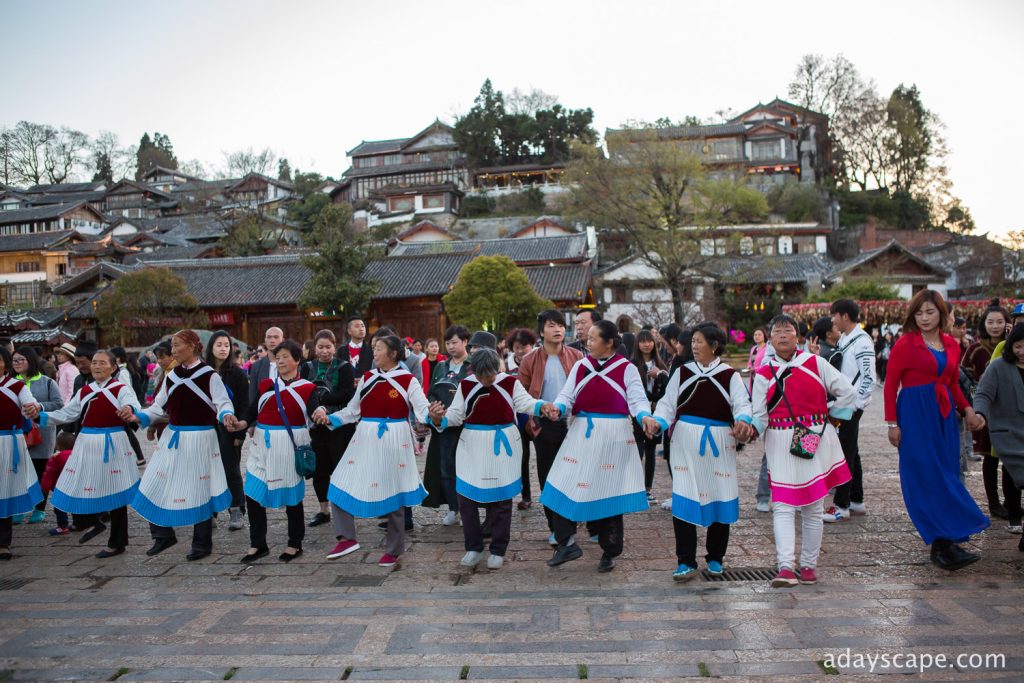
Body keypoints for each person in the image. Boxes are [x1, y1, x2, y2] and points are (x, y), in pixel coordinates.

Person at [539, 320, 659, 572]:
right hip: (581, 433)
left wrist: (645, 417)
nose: (588, 342)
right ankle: (567, 541)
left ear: (610, 343)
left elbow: (637, 400)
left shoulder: (626, 369)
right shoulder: (582, 365)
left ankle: (610, 550)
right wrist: (558, 408)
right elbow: (567, 395)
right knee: (559, 484)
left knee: (607, 492)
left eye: (593, 338)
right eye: (588, 338)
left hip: (614, 436)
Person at [884, 290, 989, 571]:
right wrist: (893, 424)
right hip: (914, 415)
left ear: (941, 313)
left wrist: (967, 409)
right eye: (919, 313)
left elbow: (953, 383)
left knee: (947, 473)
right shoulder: (905, 344)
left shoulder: (950, 344)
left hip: (942, 415)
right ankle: (941, 543)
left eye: (930, 312)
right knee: (926, 475)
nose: (924, 318)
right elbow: (891, 384)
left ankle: (946, 542)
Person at [750, 314, 856, 588]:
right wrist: (748, 430)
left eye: (788, 330)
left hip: (812, 438)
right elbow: (759, 415)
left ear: (798, 336)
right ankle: (785, 567)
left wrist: (831, 419)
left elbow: (847, 392)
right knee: (783, 504)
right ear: (770, 338)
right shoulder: (762, 373)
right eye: (777, 330)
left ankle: (808, 566)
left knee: (812, 504)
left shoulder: (815, 362)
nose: (783, 334)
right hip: (778, 441)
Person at [312, 335, 434, 567]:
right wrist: (330, 418)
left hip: (396, 439)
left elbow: (423, 411)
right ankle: (347, 538)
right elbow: (352, 411)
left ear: (394, 353)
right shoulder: (368, 378)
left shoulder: (408, 380)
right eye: (374, 348)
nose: (374, 353)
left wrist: (434, 416)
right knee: (339, 483)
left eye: (379, 349)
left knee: (394, 493)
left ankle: (394, 549)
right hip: (365, 437)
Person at [649, 322, 756, 581]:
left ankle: (716, 558)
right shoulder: (683, 372)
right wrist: (657, 421)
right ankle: (685, 560)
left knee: (720, 496)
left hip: (719, 443)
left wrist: (743, 420)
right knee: (684, 496)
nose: (693, 346)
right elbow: (667, 404)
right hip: (684, 442)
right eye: (692, 341)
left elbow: (742, 404)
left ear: (714, 344)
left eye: (699, 341)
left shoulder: (729, 375)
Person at [125, 330, 240, 561]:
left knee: (199, 490)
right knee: (152, 483)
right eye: (173, 346)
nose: (173, 350)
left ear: (192, 346)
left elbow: (223, 402)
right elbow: (158, 407)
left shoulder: (210, 375)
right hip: (172, 438)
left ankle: (202, 544)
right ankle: (163, 534)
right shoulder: (172, 375)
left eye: (177, 345)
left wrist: (227, 415)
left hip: (201, 439)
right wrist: (139, 416)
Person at [429, 347, 543, 569]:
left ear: (498, 367)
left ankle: (498, 549)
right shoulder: (467, 384)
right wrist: (438, 419)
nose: (486, 380)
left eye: (489, 375)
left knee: (501, 499)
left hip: (503, 444)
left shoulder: (510, 383)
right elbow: (455, 415)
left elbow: (526, 403)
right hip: (471, 445)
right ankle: (474, 547)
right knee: (467, 497)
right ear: (474, 372)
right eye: (481, 376)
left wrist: (543, 406)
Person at [30, 349, 141, 558]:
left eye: (102, 363)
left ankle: (117, 542)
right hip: (87, 443)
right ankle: (91, 522)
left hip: (112, 444)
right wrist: (41, 416)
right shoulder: (85, 391)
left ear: (113, 367)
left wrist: (129, 410)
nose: (97, 366)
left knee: (115, 493)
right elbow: (67, 413)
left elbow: (132, 405)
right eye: (95, 363)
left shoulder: (121, 389)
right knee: (78, 483)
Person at [239, 340, 321, 563]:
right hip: (261, 446)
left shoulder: (307, 388)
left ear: (297, 360)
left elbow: (315, 409)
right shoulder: (266, 384)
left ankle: (295, 543)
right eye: (278, 356)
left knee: (293, 498)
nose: (281, 360)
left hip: (288, 448)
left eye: (286, 356)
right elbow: (252, 409)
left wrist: (321, 412)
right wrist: (243, 422)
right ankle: (258, 544)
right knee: (253, 493)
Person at [517, 310, 584, 542]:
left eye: (561, 326)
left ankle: (569, 522)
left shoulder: (577, 357)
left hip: (572, 423)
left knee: (572, 474)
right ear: (541, 331)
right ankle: (555, 527)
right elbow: (520, 395)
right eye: (552, 325)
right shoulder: (529, 360)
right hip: (543, 424)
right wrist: (539, 409)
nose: (558, 330)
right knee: (547, 477)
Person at [822, 299, 875, 523]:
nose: (832, 320)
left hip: (850, 406)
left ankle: (841, 505)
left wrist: (854, 403)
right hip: (844, 404)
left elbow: (869, 378)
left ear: (844, 316)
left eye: (834, 315)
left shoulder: (862, 342)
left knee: (844, 452)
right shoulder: (846, 339)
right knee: (851, 451)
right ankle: (856, 500)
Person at [973, 323, 1024, 542]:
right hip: (1008, 432)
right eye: (1018, 346)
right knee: (1015, 474)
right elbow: (983, 395)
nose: (1022, 352)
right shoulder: (998, 367)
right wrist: (980, 414)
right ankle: (1014, 517)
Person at [299, 330, 355, 528]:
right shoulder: (306, 367)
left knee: (340, 467)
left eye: (328, 347)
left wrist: (321, 401)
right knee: (319, 469)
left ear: (335, 346)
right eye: (320, 347)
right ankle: (323, 509)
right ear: (315, 348)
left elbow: (347, 394)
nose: (324, 351)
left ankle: (344, 507)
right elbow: (302, 392)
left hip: (338, 425)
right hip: (315, 426)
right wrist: (316, 410)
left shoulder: (345, 367)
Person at [962, 300, 1011, 514]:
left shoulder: (1014, 347)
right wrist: (979, 401)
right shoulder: (975, 349)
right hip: (986, 411)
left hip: (1010, 411)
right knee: (990, 458)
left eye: (1000, 321)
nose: (995, 326)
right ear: (984, 323)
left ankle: (1012, 501)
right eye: (991, 322)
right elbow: (966, 379)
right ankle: (993, 502)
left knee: (1011, 457)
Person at [422, 325, 472, 524]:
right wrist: (434, 411)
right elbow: (433, 391)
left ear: (465, 342)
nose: (451, 347)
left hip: (466, 424)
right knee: (446, 468)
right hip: (442, 424)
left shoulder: (472, 364)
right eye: (448, 343)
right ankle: (454, 507)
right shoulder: (442, 366)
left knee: (466, 468)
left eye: (455, 342)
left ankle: (468, 508)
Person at [0, 346, 44, 560]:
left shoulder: (16, 386)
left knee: (5, 491)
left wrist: (32, 409)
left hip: (9, 443)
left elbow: (30, 404)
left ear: (5, 363)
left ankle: (3, 543)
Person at [205, 331, 251, 531]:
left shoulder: (238, 373)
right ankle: (210, 512)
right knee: (208, 471)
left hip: (229, 429)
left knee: (231, 470)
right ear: (211, 347)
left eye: (226, 345)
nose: (223, 348)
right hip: (206, 429)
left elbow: (244, 405)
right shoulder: (203, 372)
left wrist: (239, 434)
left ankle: (236, 510)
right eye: (219, 345)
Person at [11, 347, 63, 525]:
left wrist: (39, 407)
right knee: (20, 472)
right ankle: (21, 507)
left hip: (43, 433)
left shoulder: (47, 382)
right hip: (16, 433)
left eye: (21, 360)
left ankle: (39, 508)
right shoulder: (8, 382)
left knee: (41, 470)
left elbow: (58, 403)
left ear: (31, 360)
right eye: (15, 360)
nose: (17, 363)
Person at [630, 329, 668, 500]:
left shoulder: (661, 365)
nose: (646, 344)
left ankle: (647, 489)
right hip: (638, 413)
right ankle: (635, 487)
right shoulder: (632, 365)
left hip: (655, 413)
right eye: (643, 341)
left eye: (649, 341)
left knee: (651, 450)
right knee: (637, 449)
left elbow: (668, 390)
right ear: (638, 344)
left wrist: (659, 376)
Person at [505, 328, 538, 509]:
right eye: (516, 347)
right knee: (522, 458)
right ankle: (526, 496)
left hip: (537, 414)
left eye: (523, 346)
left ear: (531, 345)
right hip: (518, 418)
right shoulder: (506, 366)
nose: (520, 351)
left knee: (544, 458)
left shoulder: (538, 362)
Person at [109, 346, 147, 467]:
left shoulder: (122, 372)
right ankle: (139, 457)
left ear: (118, 358)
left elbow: (127, 390)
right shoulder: (118, 371)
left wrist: (129, 406)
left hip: (124, 407)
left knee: (126, 431)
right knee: (127, 431)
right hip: (121, 407)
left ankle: (138, 457)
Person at [247, 327, 284, 411]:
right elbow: (252, 395)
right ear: (265, 340)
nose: (272, 340)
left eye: (276, 337)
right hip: (263, 414)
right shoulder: (256, 366)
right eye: (269, 337)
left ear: (283, 340)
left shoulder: (290, 364)